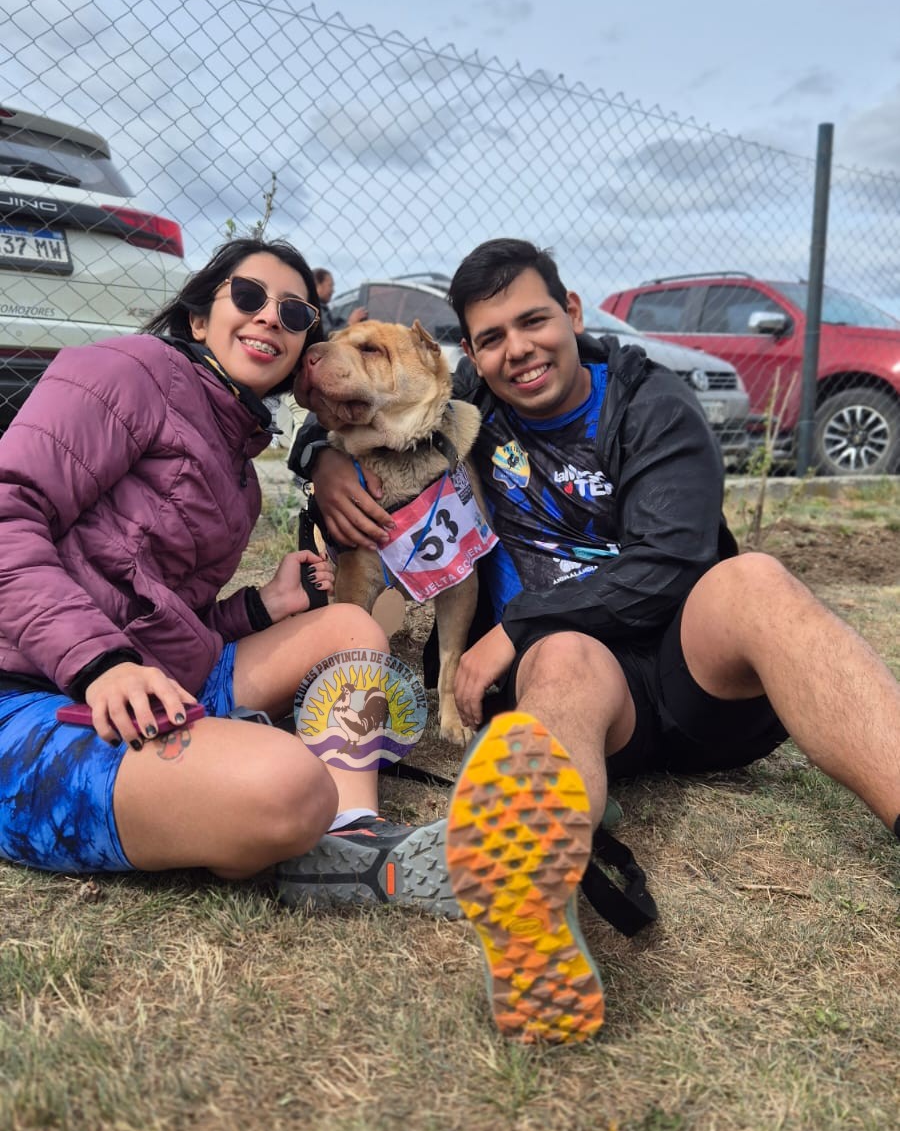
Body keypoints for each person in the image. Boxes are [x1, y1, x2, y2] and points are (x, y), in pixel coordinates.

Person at [299, 237, 900, 1045]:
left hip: (694, 680)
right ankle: (532, 902)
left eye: (534, 321)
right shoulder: (475, 401)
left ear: (573, 314)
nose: (518, 350)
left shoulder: (655, 406)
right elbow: (372, 398)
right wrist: (320, 460)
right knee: (567, 657)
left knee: (752, 579)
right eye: (492, 338)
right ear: (470, 354)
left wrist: (515, 625)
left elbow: (672, 564)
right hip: (580, 691)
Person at [0, 236, 448, 895]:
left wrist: (258, 609)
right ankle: (256, 798)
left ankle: (352, 836)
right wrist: (100, 663)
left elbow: (149, 606)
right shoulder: (128, 371)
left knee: (351, 630)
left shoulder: (239, 476)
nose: (271, 316)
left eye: (295, 314)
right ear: (199, 318)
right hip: (27, 690)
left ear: (303, 351)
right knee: (287, 786)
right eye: (248, 296)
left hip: (151, 679)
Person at [313, 266, 367, 335]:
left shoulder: (321, 309)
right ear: (318, 285)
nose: (333, 290)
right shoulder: (315, 309)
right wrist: (350, 323)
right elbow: (328, 337)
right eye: (330, 285)